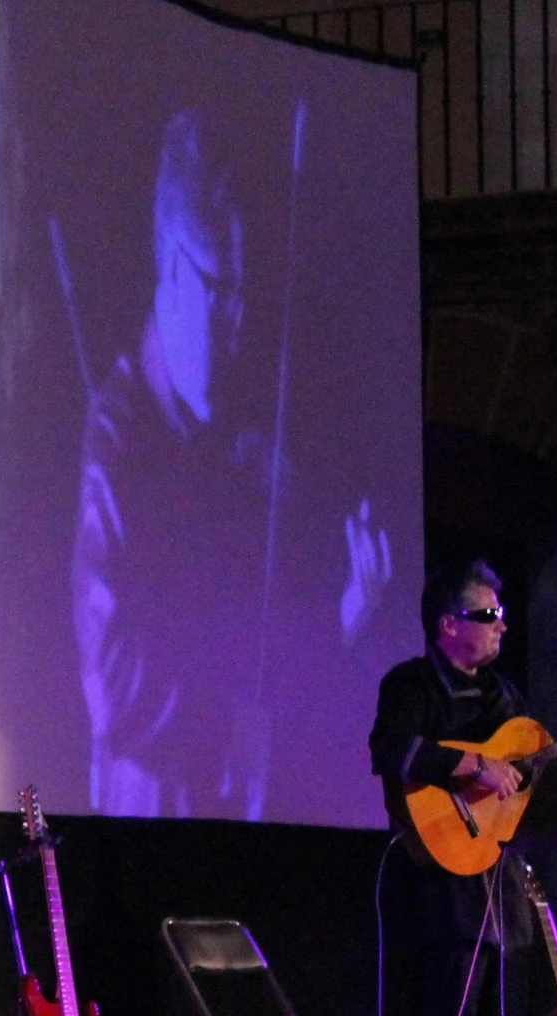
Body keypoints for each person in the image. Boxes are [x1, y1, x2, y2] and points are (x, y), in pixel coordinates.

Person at [75, 108, 391, 819]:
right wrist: (232, 730)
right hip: (154, 829)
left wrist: (343, 615)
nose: (238, 323)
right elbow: (115, 684)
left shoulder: (223, 441)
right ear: (174, 269)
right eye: (223, 294)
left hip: (230, 830)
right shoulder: (122, 436)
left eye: (244, 297)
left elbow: (258, 649)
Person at [369, 560, 546, 1016]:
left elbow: (522, 776)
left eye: (501, 615)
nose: (501, 626)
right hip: (438, 878)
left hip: (495, 876)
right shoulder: (411, 684)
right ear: (448, 625)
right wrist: (470, 762)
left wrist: (520, 777)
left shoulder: (505, 696)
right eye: (487, 615)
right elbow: (389, 749)